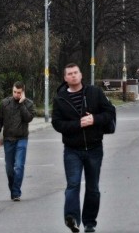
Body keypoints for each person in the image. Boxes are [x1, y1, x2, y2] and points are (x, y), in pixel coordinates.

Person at [52, 63, 116, 233]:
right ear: (65, 78)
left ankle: (89, 223)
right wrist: (77, 124)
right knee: (73, 184)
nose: (73, 76)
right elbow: (57, 124)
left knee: (92, 187)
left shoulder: (94, 93)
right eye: (69, 74)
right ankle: (72, 218)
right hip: (72, 150)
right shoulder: (60, 99)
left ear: (81, 75)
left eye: (76, 72)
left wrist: (94, 119)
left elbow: (109, 112)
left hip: (94, 148)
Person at [0, 82, 35, 201]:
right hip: (8, 140)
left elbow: (29, 118)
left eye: (19, 93)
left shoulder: (29, 103)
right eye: (15, 92)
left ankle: (16, 192)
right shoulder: (5, 103)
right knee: (9, 169)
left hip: (22, 139)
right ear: (12, 91)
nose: (16, 94)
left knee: (19, 166)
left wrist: (22, 105)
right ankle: (13, 188)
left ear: (23, 92)